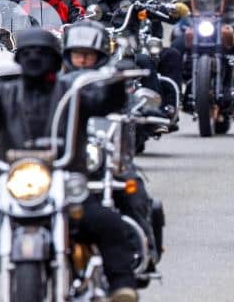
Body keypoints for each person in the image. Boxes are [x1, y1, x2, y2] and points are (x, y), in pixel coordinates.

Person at [0, 29, 139, 302]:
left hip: (64, 182)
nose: (35, 58)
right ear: (18, 59)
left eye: (42, 53)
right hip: (13, 185)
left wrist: (117, 83)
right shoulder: (2, 94)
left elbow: (104, 102)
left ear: (55, 58)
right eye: (28, 53)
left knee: (109, 221)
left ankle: (122, 285)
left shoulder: (72, 92)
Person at [61, 20, 163, 273]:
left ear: (100, 56)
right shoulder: (56, 84)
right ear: (67, 55)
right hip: (64, 159)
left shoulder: (113, 82)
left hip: (105, 155)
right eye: (77, 54)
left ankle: (144, 250)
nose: (82, 61)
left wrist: (141, 113)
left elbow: (131, 108)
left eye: (88, 55)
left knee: (133, 188)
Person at [77, 0, 163, 100]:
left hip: (128, 51)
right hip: (97, 50)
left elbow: (149, 6)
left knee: (145, 61)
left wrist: (153, 6)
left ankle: (154, 109)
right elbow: (72, 10)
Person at [120, 0, 185, 111]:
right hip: (124, 46)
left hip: (151, 46)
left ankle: (170, 105)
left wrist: (174, 9)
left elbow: (169, 11)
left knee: (172, 55)